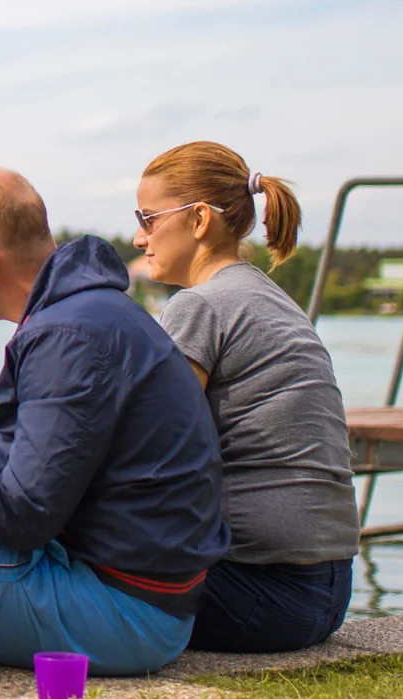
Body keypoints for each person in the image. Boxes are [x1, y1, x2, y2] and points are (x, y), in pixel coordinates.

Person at [0, 167, 229, 675]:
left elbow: (21, 513)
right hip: (141, 598)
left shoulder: (67, 335)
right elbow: (40, 432)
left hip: (124, 616)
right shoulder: (87, 311)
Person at [134, 141, 361, 653]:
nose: (138, 235)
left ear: (197, 220)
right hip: (327, 591)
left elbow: (152, 449)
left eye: (148, 218)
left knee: (55, 560)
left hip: (262, 594)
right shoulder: (267, 296)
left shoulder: (199, 305)